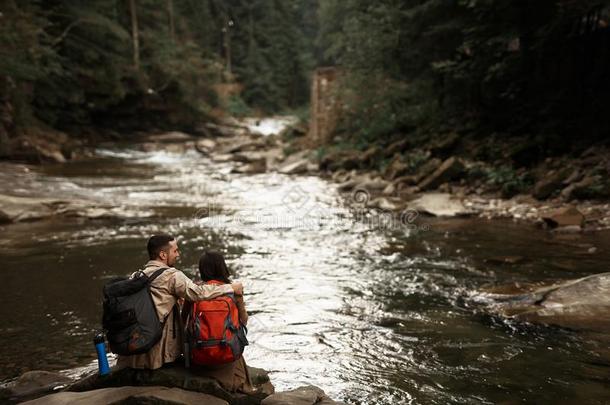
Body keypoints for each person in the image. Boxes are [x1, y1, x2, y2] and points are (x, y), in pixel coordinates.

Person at [116, 234, 244, 370]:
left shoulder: (137, 275)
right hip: (155, 355)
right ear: (163, 255)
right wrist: (230, 287)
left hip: (134, 346)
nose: (178, 254)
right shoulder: (172, 276)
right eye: (175, 250)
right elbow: (198, 293)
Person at [186, 250, 254, 393]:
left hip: (199, 357)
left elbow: (184, 321)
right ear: (222, 267)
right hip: (226, 355)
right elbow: (244, 320)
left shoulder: (195, 291)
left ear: (202, 269)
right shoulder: (233, 291)